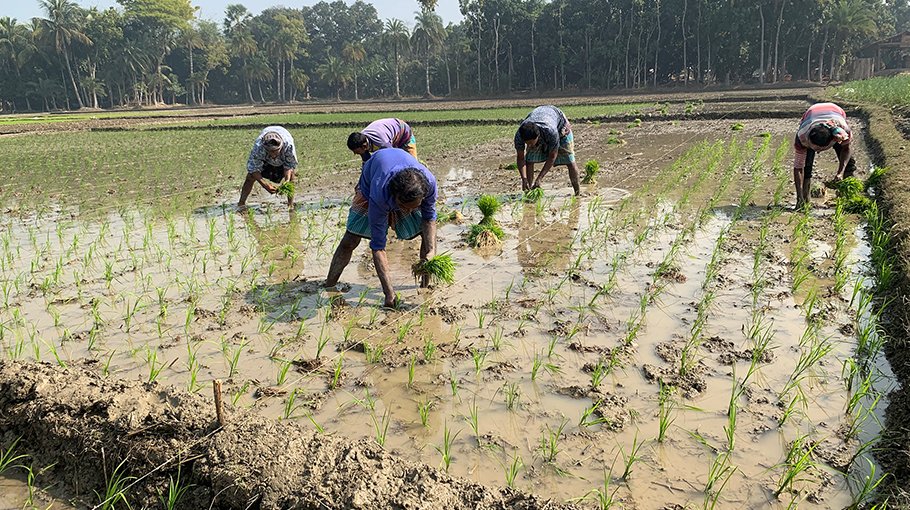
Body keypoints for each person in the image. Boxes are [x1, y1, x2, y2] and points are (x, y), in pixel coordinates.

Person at [325, 148, 437, 307]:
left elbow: (429, 219)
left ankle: (425, 285)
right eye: (404, 207)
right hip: (369, 188)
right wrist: (389, 294)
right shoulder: (379, 194)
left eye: (414, 207)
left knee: (425, 234)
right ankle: (329, 284)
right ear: (395, 197)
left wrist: (431, 251)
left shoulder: (429, 184)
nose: (409, 212)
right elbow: (378, 247)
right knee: (350, 239)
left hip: (403, 188)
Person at [793, 102, 856, 208]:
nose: (817, 151)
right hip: (811, 114)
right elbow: (798, 168)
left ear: (832, 141)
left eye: (819, 149)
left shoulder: (842, 132)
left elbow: (846, 149)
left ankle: (846, 198)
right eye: (813, 147)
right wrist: (799, 197)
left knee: (849, 164)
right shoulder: (802, 136)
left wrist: (840, 172)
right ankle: (804, 200)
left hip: (836, 111)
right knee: (806, 167)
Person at [515, 105, 580, 195]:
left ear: (538, 137)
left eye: (531, 143)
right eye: (527, 143)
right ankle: (528, 191)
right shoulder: (519, 135)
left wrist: (539, 178)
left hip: (560, 126)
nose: (529, 145)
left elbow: (552, 156)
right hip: (541, 116)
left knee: (570, 161)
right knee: (529, 160)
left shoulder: (550, 131)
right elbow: (521, 159)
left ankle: (577, 193)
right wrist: (524, 178)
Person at [238, 126, 298, 209]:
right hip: (265, 159)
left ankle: (290, 205)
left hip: (282, 157)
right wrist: (265, 185)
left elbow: (289, 165)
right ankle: (241, 203)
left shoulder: (288, 145)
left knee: (291, 177)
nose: (273, 155)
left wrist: (287, 180)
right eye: (270, 151)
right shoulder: (259, 147)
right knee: (250, 176)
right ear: (265, 148)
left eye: (275, 151)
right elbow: (253, 168)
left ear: (281, 147)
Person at [347, 118, 417, 162]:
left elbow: (392, 159)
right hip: (390, 136)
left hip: (404, 133)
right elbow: (366, 162)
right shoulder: (362, 140)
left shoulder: (382, 143)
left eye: (357, 151)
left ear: (364, 146)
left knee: (412, 163)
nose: (355, 154)